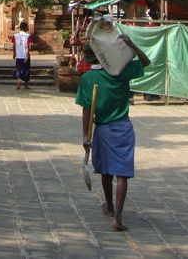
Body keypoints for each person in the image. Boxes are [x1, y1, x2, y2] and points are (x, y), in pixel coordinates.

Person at [76, 38, 151, 231]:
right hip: (123, 127)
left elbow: (86, 110)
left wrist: (85, 136)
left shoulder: (87, 79)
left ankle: (109, 206)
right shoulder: (120, 72)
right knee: (122, 174)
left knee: (106, 172)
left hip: (101, 129)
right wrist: (132, 45)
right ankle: (117, 217)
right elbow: (145, 62)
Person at [12, 21, 31, 89]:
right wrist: (27, 56)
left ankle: (19, 80)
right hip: (25, 55)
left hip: (18, 56)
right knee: (26, 69)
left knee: (18, 69)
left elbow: (14, 46)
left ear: (20, 28)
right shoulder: (27, 35)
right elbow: (27, 47)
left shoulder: (15, 36)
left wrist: (14, 54)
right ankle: (26, 84)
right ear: (26, 28)